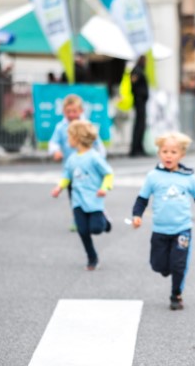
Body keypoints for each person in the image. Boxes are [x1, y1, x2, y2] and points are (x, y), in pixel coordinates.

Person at [130, 132, 195, 310]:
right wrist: (137, 215)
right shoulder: (153, 176)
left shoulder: (188, 177)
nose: (168, 156)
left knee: (179, 265)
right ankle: (165, 269)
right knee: (158, 265)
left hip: (182, 229)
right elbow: (142, 199)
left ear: (181, 155)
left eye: (173, 152)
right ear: (159, 153)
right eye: (165, 151)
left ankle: (176, 295)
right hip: (159, 229)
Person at [51, 121, 114, 270]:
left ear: (77, 138)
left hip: (94, 200)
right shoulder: (72, 159)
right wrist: (59, 187)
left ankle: (105, 222)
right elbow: (67, 175)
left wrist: (104, 188)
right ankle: (92, 258)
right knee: (82, 231)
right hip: (77, 201)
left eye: (69, 136)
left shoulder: (94, 157)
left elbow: (108, 174)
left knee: (96, 228)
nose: (67, 140)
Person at [129, 55, 150, 156]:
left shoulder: (139, 70)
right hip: (139, 101)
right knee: (139, 125)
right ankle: (135, 149)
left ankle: (139, 147)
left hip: (141, 101)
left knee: (141, 125)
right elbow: (133, 82)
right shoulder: (137, 70)